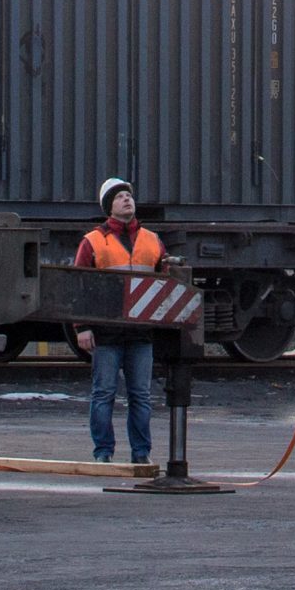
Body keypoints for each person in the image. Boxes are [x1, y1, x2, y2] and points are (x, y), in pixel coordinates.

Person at [74, 176, 163, 465]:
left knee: (141, 396)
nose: (127, 199)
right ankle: (103, 453)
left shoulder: (152, 241)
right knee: (104, 395)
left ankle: (141, 454)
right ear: (108, 208)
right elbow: (79, 287)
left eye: (128, 195)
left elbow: (167, 282)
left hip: (140, 334)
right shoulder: (92, 242)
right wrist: (82, 327)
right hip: (107, 332)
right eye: (119, 197)